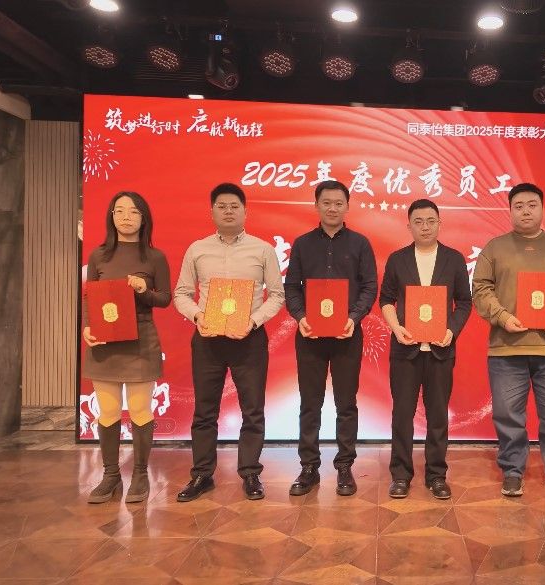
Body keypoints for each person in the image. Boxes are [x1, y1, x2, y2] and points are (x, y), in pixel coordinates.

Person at [472, 182, 545, 499]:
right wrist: (502, 317)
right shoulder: (495, 248)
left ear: (542, 208)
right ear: (510, 210)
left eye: (532, 205)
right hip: (506, 348)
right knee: (508, 416)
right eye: (519, 206)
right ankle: (512, 471)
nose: (525, 211)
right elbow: (480, 288)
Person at [173, 183, 284, 502]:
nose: (228, 211)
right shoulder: (197, 249)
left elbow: (277, 295)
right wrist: (198, 316)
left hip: (249, 338)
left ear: (245, 211)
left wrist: (253, 321)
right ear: (212, 212)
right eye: (222, 206)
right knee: (204, 410)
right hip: (208, 338)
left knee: (253, 409)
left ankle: (250, 473)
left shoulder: (262, 250)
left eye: (234, 206)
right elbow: (182, 293)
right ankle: (202, 474)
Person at [285, 180, 377, 497]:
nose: (332, 208)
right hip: (309, 335)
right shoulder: (302, 244)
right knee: (310, 404)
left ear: (347, 206)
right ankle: (309, 467)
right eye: (326, 202)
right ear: (317, 206)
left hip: (347, 334)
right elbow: (291, 287)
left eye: (339, 203)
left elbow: (370, 287)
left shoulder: (360, 244)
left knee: (346, 404)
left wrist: (354, 317)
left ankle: (344, 467)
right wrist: (300, 316)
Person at [379, 199, 472, 499]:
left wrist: (450, 331)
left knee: (438, 415)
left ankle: (436, 475)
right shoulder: (398, 259)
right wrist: (397, 328)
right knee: (402, 415)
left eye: (431, 221)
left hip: (440, 350)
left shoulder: (453, 259)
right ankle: (400, 475)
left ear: (439, 223)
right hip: (405, 350)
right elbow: (386, 299)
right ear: (409, 226)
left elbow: (464, 302)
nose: (425, 227)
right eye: (418, 222)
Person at [82, 191, 171, 504]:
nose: (126, 217)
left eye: (133, 212)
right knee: (107, 411)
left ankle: (140, 474)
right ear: (111, 217)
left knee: (139, 410)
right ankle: (110, 475)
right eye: (119, 211)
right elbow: (88, 297)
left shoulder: (155, 257)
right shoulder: (98, 255)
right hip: (104, 343)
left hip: (140, 342)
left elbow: (164, 298)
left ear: (143, 218)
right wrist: (87, 327)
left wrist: (144, 289)